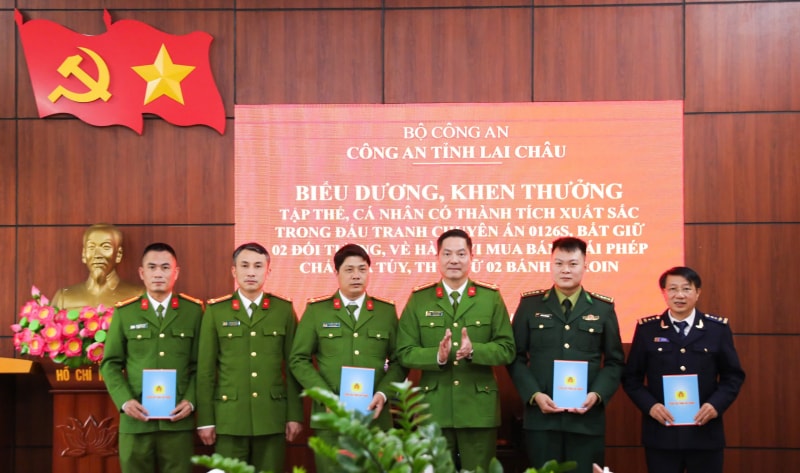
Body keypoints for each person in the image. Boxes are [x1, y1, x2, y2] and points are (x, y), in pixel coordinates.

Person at [396, 228, 515, 472]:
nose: (454, 260)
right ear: (437, 257)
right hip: (433, 409)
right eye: (447, 253)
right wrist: (436, 356)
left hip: (478, 410)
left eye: (461, 254)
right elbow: (404, 351)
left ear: (471, 257)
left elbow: (507, 349)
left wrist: (474, 351)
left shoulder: (490, 298)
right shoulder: (420, 299)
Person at [507, 236, 624, 473]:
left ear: (585, 266)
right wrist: (534, 395)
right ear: (551, 265)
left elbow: (615, 361)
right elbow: (515, 357)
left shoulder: (602, 309)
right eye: (559, 263)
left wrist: (597, 394)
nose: (565, 270)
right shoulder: (530, 305)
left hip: (586, 421)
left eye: (572, 264)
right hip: (542, 420)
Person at [290, 243, 408, 473]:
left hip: (375, 419)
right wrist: (326, 397)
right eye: (349, 270)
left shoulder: (385, 312)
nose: (356, 275)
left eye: (362, 269)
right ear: (336, 273)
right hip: (331, 419)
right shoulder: (317, 311)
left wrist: (383, 394)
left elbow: (399, 360)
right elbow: (298, 358)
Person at [622, 266, 745, 473]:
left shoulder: (717, 329)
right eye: (672, 289)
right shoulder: (647, 330)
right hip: (662, 434)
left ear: (698, 293)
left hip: (705, 433)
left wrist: (715, 405)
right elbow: (631, 378)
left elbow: (733, 376)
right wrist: (651, 406)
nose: (679, 295)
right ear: (664, 293)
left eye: (686, 289)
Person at [196, 242, 303, 473]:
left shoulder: (283, 309)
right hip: (229, 419)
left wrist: (294, 415)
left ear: (268, 271)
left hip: (271, 417)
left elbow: (294, 366)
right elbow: (205, 371)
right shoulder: (216, 311)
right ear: (234, 271)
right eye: (244, 266)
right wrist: (206, 419)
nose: (251, 272)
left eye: (258, 266)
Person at [100, 242, 204, 473]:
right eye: (152, 267)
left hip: (177, 420)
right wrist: (125, 402)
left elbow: (201, 365)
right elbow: (110, 364)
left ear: (176, 272)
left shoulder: (193, 311)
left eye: (165, 267)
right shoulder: (125, 312)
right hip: (136, 420)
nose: (158, 273)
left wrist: (191, 400)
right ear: (142, 273)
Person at [52, 223, 143, 309]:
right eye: (91, 247)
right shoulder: (64, 298)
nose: (97, 255)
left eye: (106, 247)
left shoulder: (137, 295)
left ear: (118, 254)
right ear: (84, 254)